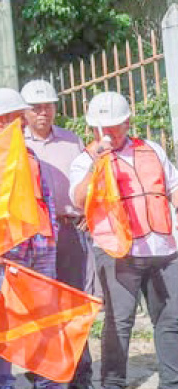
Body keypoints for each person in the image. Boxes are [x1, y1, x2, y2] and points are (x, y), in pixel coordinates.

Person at [70, 91, 178, 389]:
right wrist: (96, 164)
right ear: (92, 128)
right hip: (117, 251)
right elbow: (78, 199)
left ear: (128, 122)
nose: (108, 134)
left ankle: (172, 382)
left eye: (114, 127)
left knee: (170, 319)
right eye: (101, 128)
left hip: (163, 249)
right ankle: (113, 383)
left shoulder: (152, 149)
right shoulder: (85, 159)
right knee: (119, 322)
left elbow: (173, 186)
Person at [0, 88, 60, 389]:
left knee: (43, 318)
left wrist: (51, 239)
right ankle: (2, 382)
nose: (23, 121)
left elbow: (45, 198)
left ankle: (45, 380)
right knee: (1, 323)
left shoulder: (29, 153)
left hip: (40, 247)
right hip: (2, 252)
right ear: (0, 119)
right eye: (18, 116)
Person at [20, 79, 92, 389]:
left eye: (47, 106)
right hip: (35, 237)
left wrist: (88, 211)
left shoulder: (71, 141)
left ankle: (80, 374)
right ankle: (43, 372)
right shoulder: (16, 144)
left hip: (70, 231)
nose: (43, 113)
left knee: (75, 303)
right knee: (41, 307)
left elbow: (86, 181)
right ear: (24, 112)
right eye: (35, 108)